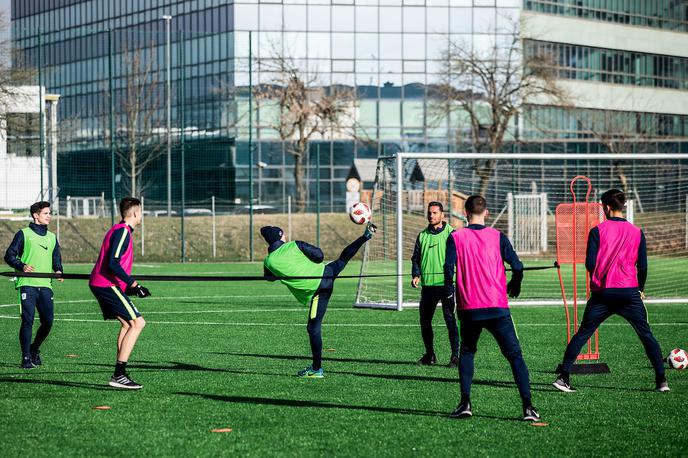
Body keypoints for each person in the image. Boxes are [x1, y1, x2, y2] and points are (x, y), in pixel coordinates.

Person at [553, 189, 668, 393]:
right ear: (621, 207)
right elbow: (643, 267)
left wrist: (601, 272)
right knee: (646, 335)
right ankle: (661, 381)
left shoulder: (597, 231)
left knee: (582, 334)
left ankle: (563, 378)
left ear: (606, 207)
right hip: (629, 293)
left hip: (603, 294)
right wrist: (640, 289)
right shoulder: (637, 232)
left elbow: (590, 264)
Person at [444, 195, 540, 421]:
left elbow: (448, 269)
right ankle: (528, 407)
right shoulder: (498, 237)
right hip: (497, 307)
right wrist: (515, 284)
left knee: (467, 352)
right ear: (486, 213)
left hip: (469, 309)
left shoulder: (455, 237)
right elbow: (517, 266)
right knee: (515, 356)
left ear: (465, 213)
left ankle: (465, 402)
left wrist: (450, 292)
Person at [262, 222, 376, 378]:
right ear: (280, 236)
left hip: (319, 290)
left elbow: (269, 278)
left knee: (313, 329)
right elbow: (319, 256)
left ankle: (316, 369)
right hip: (326, 273)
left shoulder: (268, 261)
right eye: (284, 235)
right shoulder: (295, 245)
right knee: (342, 260)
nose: (286, 237)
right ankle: (365, 237)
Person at [89, 197, 151, 390]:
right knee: (138, 323)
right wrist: (134, 284)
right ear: (134, 213)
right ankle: (119, 374)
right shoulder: (123, 231)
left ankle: (120, 373)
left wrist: (130, 287)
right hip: (106, 285)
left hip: (104, 284)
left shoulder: (119, 231)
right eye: (141, 212)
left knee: (126, 324)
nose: (142, 215)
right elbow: (113, 263)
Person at [4, 201, 63, 369]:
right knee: (27, 320)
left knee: (48, 322)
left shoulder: (52, 237)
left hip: (45, 284)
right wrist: (21, 265)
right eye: (46, 213)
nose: (49, 216)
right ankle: (26, 357)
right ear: (36, 215)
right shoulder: (23, 233)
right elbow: (9, 256)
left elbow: (56, 258)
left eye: (49, 213)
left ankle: (34, 348)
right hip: (27, 283)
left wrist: (58, 270)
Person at [411, 201, 459, 367]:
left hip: (446, 286)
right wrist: (416, 274)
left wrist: (453, 281)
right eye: (429, 213)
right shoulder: (422, 235)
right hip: (428, 287)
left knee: (450, 320)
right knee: (425, 321)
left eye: (435, 213)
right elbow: (415, 258)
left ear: (442, 215)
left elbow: (458, 259)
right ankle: (430, 355)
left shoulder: (452, 233)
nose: (431, 216)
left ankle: (455, 356)